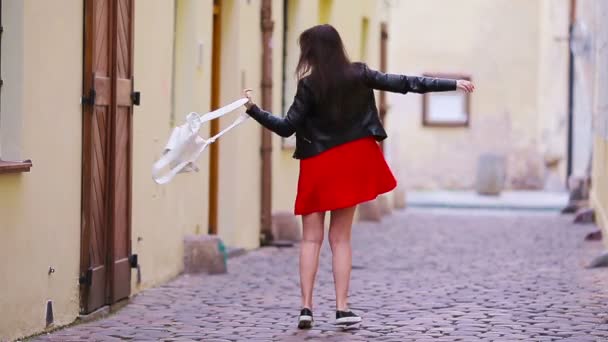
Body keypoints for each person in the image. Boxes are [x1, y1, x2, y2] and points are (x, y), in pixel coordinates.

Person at [242, 24, 475, 330]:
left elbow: (286, 127)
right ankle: (341, 309)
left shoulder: (309, 84)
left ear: (310, 51)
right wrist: (451, 84)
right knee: (341, 239)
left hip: (317, 163)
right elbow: (405, 82)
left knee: (311, 239)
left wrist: (253, 110)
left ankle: (306, 308)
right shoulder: (360, 73)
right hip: (352, 160)